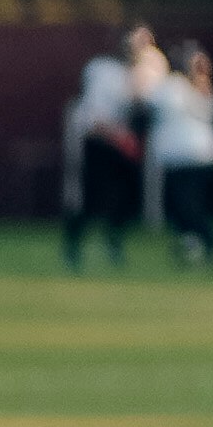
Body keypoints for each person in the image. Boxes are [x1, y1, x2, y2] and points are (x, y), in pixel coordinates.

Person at [62, 30, 159, 270]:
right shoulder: (103, 70)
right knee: (91, 195)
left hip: (123, 144)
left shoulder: (144, 72)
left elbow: (142, 107)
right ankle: (73, 245)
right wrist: (121, 137)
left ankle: (114, 242)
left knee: (124, 196)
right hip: (99, 141)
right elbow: (95, 118)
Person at [142, 33, 213, 272]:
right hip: (193, 155)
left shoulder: (173, 88)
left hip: (190, 155)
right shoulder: (189, 88)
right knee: (183, 204)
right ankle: (190, 245)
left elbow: (148, 101)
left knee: (187, 205)